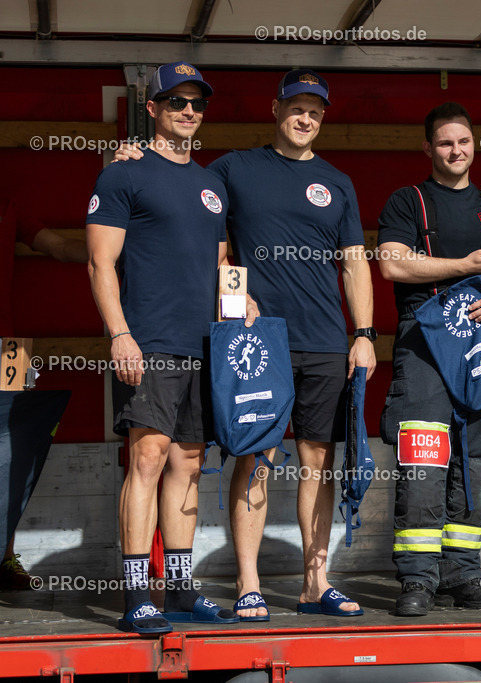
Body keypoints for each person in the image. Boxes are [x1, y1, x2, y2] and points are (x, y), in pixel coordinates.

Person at [117, 69, 375, 621]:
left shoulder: (338, 181)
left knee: (318, 461)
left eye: (315, 111)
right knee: (257, 457)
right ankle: (249, 584)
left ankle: (315, 584)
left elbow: (355, 263)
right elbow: (176, 186)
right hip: (257, 340)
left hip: (327, 340)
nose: (305, 118)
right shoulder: (231, 170)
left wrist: (364, 333)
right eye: (296, 108)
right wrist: (129, 156)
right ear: (275, 109)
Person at [87, 61, 255, 634]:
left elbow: (220, 262)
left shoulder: (212, 185)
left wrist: (243, 300)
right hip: (149, 341)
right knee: (148, 459)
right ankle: (138, 595)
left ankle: (180, 591)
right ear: (153, 109)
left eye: (197, 103)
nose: (188, 111)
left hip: (205, 344)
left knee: (188, 462)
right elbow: (100, 263)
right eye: (176, 101)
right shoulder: (123, 175)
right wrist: (120, 334)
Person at [377, 101, 481, 617]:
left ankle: (460, 571)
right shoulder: (408, 201)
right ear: (429, 148)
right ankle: (417, 578)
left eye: (463, 141)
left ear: (474, 145)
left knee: (479, 455)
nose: (456, 150)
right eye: (445, 142)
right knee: (423, 453)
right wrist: (465, 265)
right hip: (425, 341)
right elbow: (393, 264)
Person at [0, 194, 88, 590]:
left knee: (15, 455)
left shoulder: (7, 207)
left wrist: (116, 252)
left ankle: (5, 557)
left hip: (9, 349)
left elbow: (61, 247)